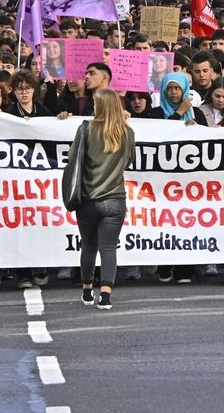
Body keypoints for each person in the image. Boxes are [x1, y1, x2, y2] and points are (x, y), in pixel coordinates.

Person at [74, 88, 132, 310]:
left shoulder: (86, 129)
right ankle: (105, 295)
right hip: (115, 197)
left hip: (88, 198)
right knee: (108, 248)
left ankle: (87, 290)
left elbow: (74, 159)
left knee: (88, 246)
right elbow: (128, 161)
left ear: (99, 106)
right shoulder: (127, 132)